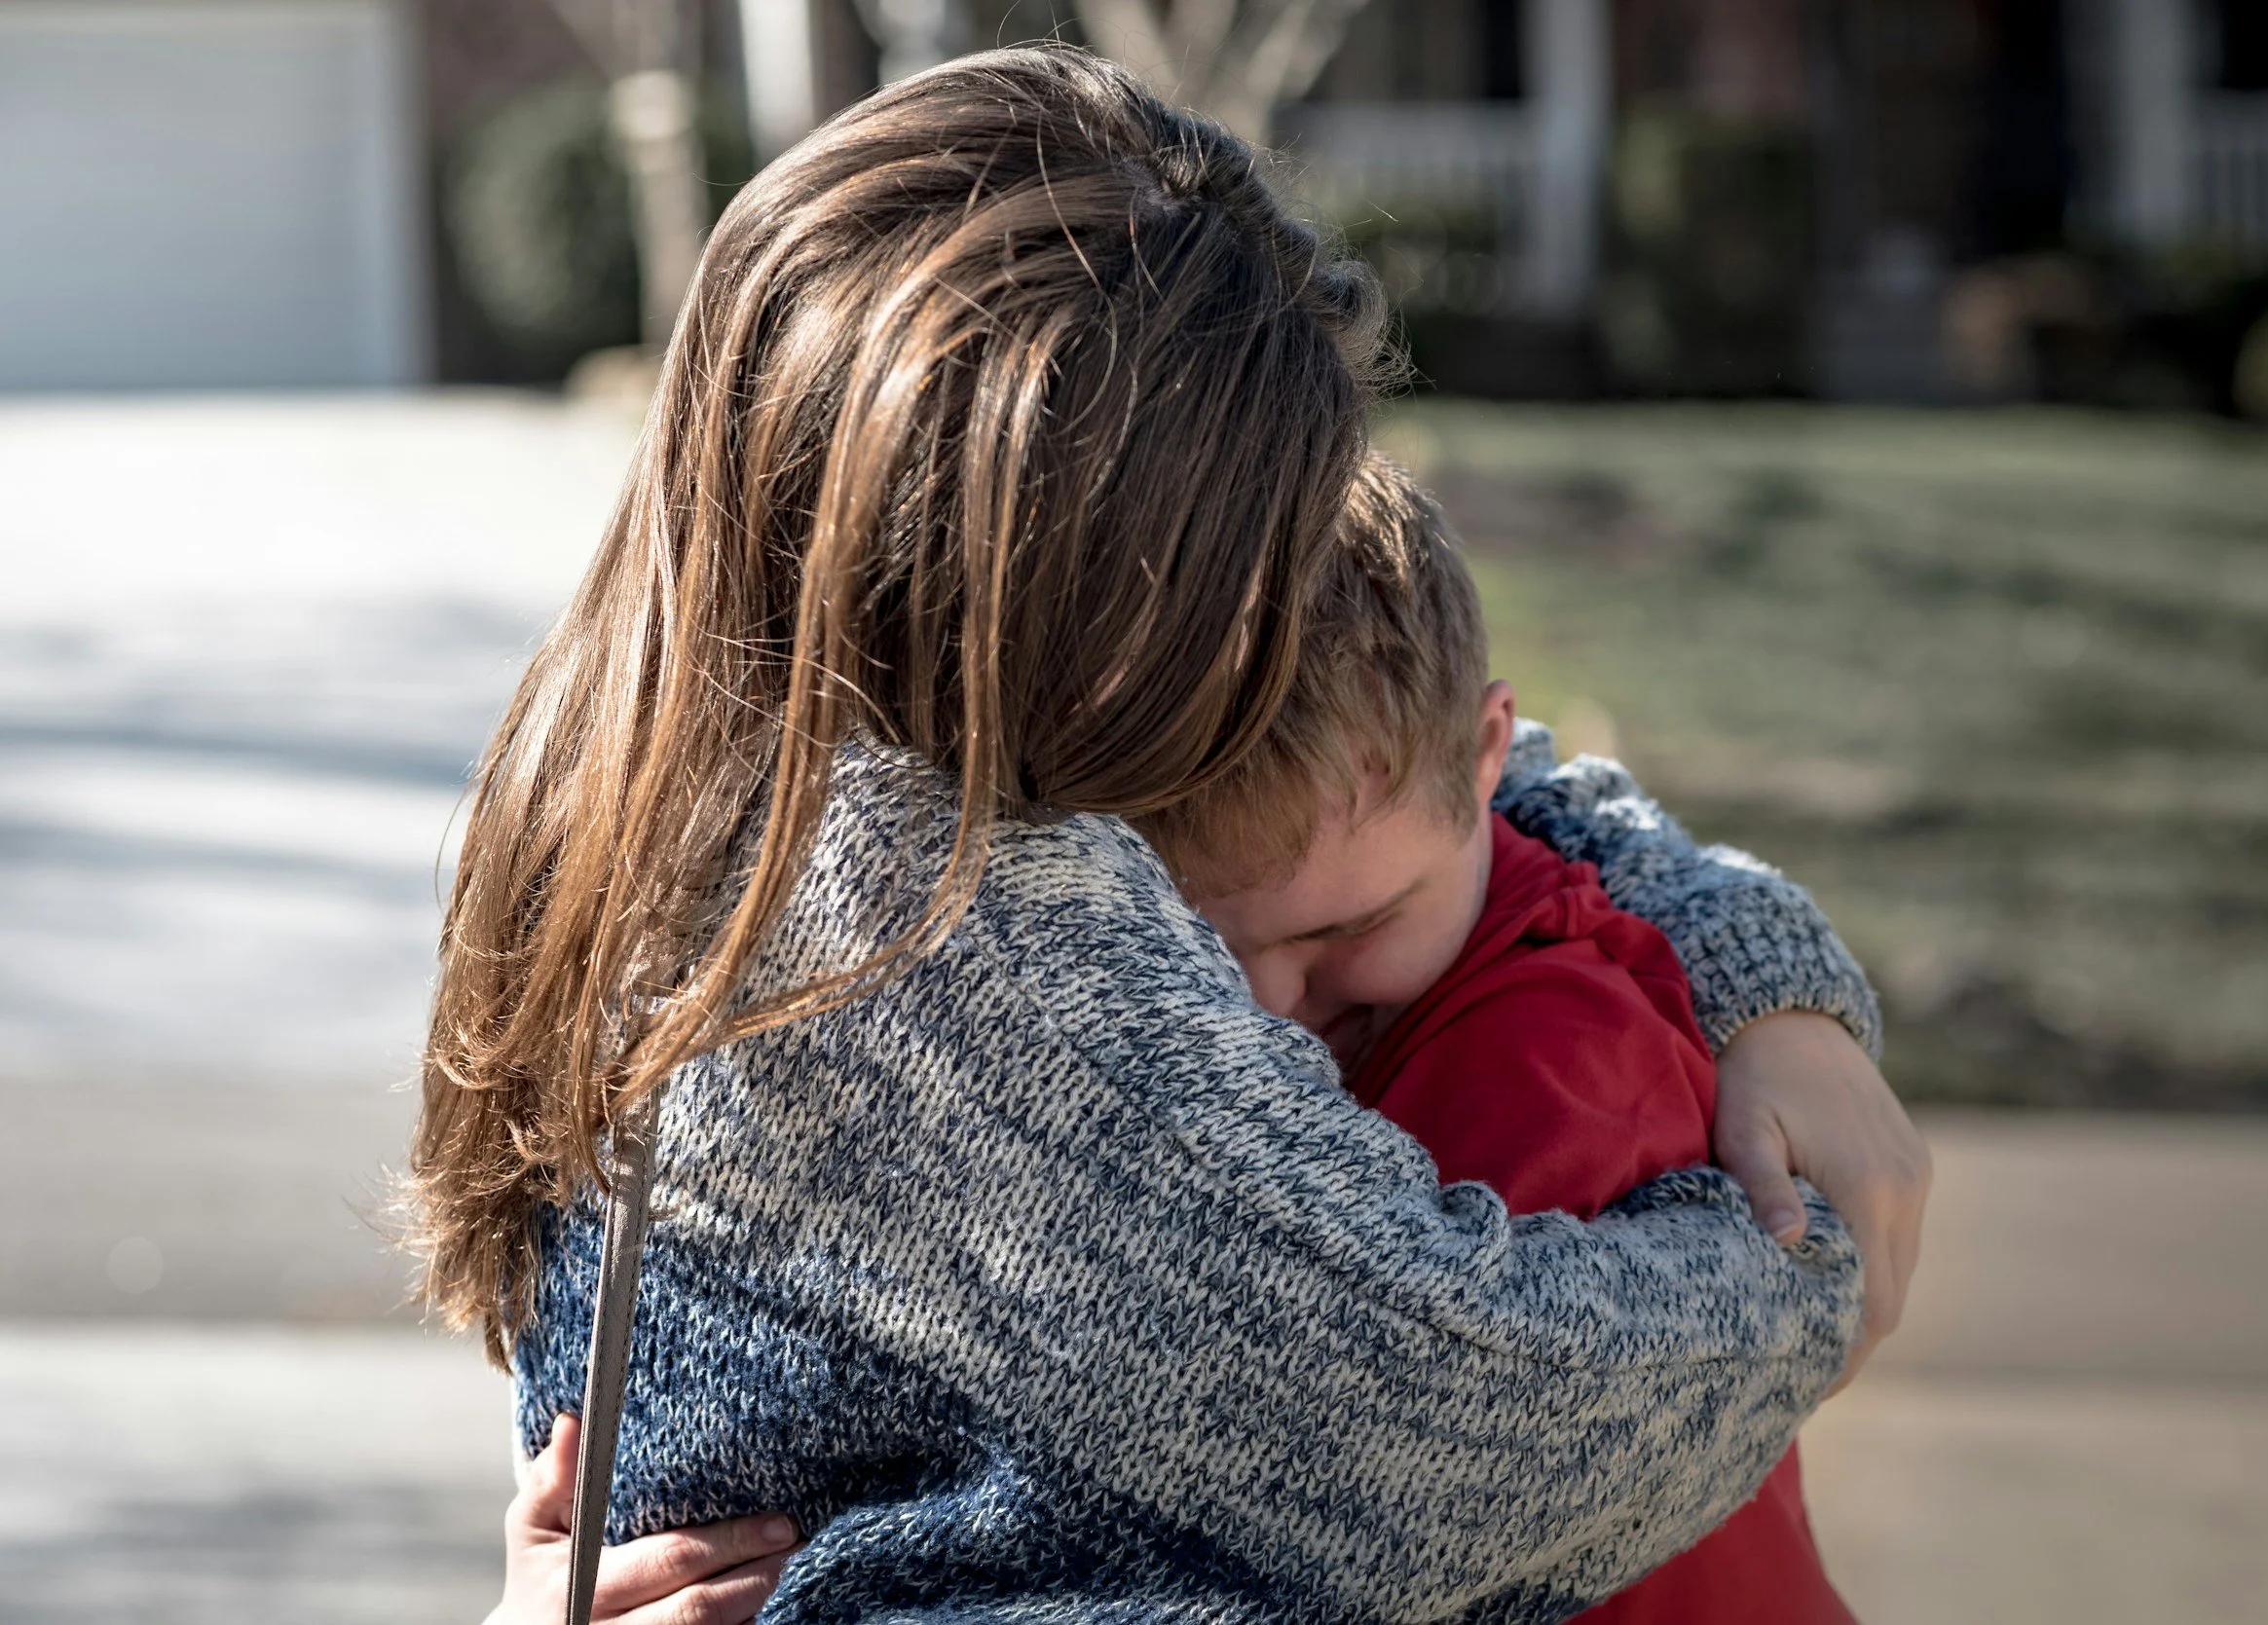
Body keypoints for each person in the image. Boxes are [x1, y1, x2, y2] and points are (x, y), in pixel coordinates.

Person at [418, 45, 1927, 1624]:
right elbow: (1468, 1439)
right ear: (1055, 570)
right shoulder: (946, 923)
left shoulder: (656, 746)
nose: (1278, 624)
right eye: (1241, 578)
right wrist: (1803, 1251)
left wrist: (1769, 980)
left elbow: (1470, 763)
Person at [1158, 457, 1854, 1623]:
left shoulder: (1561, 1068)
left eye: (1352, 928)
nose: (1271, 1007)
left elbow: (1340, 1486)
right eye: (1207, 943)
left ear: (1490, 754)